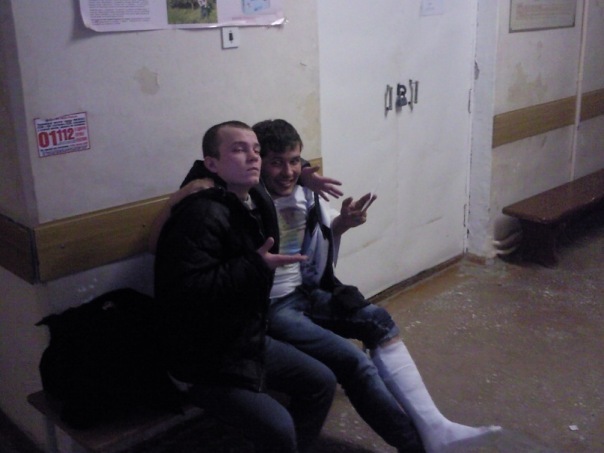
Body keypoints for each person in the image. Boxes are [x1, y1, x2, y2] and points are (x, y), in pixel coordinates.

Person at [153, 120, 337, 453]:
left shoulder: (251, 198)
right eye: (239, 150)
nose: (253, 157)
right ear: (211, 165)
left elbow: (287, 162)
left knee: (321, 381)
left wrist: (306, 174)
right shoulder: (202, 212)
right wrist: (254, 266)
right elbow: (186, 293)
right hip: (203, 359)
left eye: (256, 150)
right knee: (279, 426)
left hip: (243, 337)